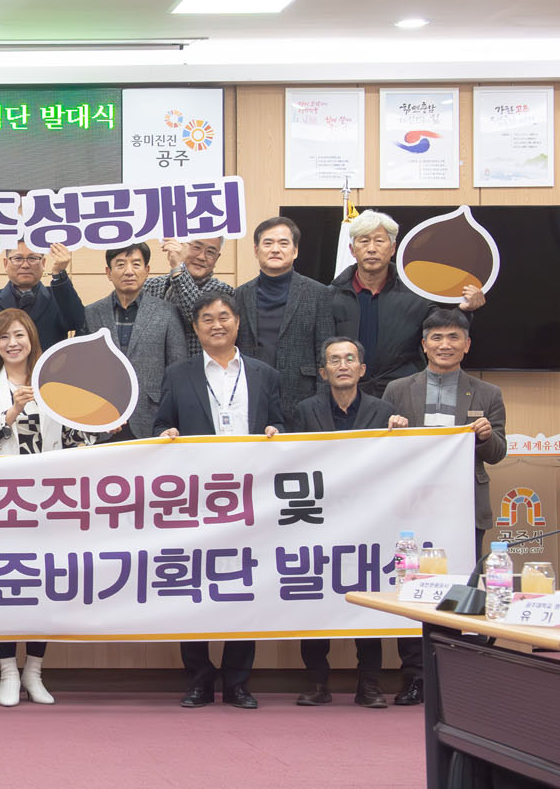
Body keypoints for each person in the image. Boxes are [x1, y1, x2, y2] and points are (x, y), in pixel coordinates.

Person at [0, 308, 107, 706]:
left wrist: (102, 428)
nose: (13, 343)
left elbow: (77, 438)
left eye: (19, 335)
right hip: (4, 503)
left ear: (31, 339)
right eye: (4, 337)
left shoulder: (53, 383)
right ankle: (7, 670)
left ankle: (34, 669)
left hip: (50, 501)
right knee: (7, 583)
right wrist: (12, 411)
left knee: (45, 584)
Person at [153, 293, 284, 710]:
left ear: (237, 323)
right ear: (195, 328)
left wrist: (277, 432)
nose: (216, 324)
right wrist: (165, 435)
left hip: (250, 498)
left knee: (244, 586)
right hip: (196, 499)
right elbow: (161, 425)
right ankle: (199, 679)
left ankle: (238, 682)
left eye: (224, 317)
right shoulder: (179, 375)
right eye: (207, 319)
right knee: (193, 587)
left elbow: (281, 424)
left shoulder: (265, 374)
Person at [382, 308, 506, 707]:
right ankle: (415, 676)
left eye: (453, 338)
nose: (445, 345)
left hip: (465, 508)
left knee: (460, 591)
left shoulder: (487, 394)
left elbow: (498, 453)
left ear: (467, 346)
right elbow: (381, 450)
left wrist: (485, 436)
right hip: (412, 508)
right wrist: (391, 432)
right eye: (436, 338)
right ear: (424, 345)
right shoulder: (398, 390)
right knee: (413, 588)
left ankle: (456, 680)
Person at [289, 337, 404, 709]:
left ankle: (369, 684)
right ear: (323, 372)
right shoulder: (304, 411)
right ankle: (316, 682)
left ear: (362, 369)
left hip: (369, 525)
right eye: (334, 360)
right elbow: (288, 463)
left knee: (367, 602)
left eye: (349, 358)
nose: (342, 365)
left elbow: (401, 463)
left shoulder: (385, 412)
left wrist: (403, 434)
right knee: (314, 601)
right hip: (317, 523)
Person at [331, 210, 487, 398]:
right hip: (347, 395)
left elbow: (440, 332)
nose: (371, 249)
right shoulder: (330, 296)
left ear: (393, 248)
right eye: (364, 241)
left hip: (404, 394)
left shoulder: (418, 292)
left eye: (379, 241)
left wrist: (465, 311)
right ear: (352, 250)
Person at [81, 242, 186, 439]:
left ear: (147, 271)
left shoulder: (167, 312)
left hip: (153, 419)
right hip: (104, 420)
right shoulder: (92, 313)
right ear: (108, 272)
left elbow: (177, 369)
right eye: (120, 264)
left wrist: (173, 420)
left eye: (136, 264)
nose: (129, 271)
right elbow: (84, 370)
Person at [235, 216, 334, 418]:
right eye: (268, 243)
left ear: (295, 251)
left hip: (303, 397)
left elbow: (325, 352)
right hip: (250, 396)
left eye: (283, 243)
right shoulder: (239, 295)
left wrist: (322, 402)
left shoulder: (318, 293)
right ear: (256, 250)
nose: (275, 249)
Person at [145, 237, 234, 357]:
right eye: (196, 247)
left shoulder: (223, 291)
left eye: (210, 252)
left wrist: (178, 267)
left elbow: (196, 315)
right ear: (181, 246)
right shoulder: (150, 286)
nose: (202, 257)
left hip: (196, 366)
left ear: (217, 258)